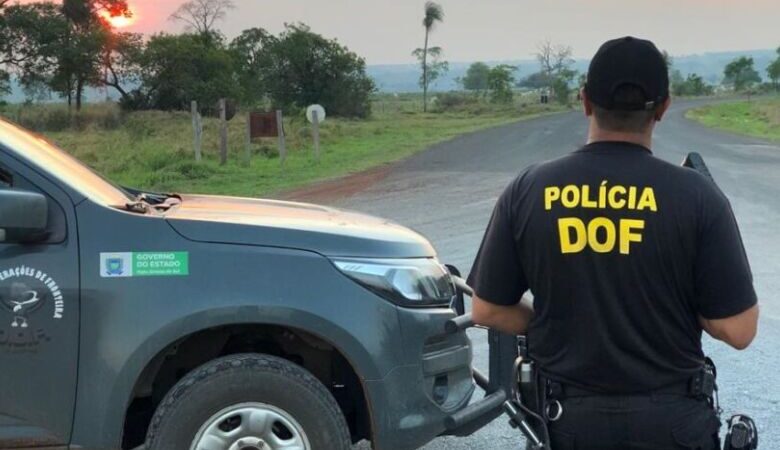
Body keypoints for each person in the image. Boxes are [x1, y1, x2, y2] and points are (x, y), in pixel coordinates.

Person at [467, 36, 759, 449]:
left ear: (585, 101)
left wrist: (558, 320)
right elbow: (739, 329)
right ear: (663, 107)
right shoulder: (698, 197)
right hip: (672, 426)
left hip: (566, 424)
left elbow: (488, 308)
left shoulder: (528, 189)